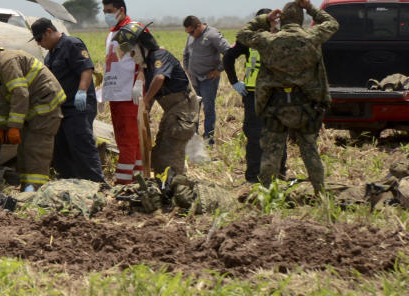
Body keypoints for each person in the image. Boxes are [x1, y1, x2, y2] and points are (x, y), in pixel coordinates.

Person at [236, 0, 339, 192]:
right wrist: (310, 8)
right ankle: (320, 193)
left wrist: (265, 18)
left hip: (276, 105)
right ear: (301, 20)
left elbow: (242, 34)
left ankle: (266, 194)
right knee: (310, 151)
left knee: (271, 152)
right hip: (308, 106)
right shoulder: (313, 36)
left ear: (281, 20)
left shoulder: (268, 40)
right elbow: (333, 23)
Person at [0, 35, 65, 191]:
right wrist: (2, 125)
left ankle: (36, 191)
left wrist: (14, 126)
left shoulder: (6, 62)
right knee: (23, 152)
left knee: (35, 151)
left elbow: (20, 93)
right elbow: (3, 99)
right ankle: (27, 189)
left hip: (45, 109)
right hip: (33, 110)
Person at [113, 22, 198, 177]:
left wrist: (145, 100)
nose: (132, 57)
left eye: (132, 52)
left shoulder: (160, 56)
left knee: (170, 152)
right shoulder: (147, 66)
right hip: (172, 111)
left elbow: (159, 78)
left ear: (142, 46)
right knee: (158, 153)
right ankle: (164, 185)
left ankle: (176, 186)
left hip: (183, 109)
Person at [30, 18, 107, 185]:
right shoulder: (50, 55)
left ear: (49, 32)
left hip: (78, 106)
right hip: (62, 108)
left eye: (39, 39)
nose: (39, 43)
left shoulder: (72, 44)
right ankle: (69, 183)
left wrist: (81, 92)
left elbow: (86, 69)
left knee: (81, 143)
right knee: (61, 148)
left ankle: (96, 183)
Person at [223, 9, 286, 183]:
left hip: (277, 93)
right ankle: (253, 177)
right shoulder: (248, 40)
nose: (273, 24)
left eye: (275, 21)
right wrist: (235, 82)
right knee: (254, 135)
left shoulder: (283, 38)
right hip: (253, 94)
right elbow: (228, 58)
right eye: (270, 21)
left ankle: (280, 174)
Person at [101, 0, 143, 184]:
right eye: (104, 12)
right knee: (124, 139)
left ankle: (124, 183)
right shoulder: (112, 34)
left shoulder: (133, 30)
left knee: (129, 139)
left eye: (109, 12)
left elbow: (146, 59)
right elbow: (111, 65)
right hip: (115, 94)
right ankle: (137, 178)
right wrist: (103, 92)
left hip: (129, 93)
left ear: (121, 10)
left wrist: (140, 81)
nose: (106, 15)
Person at [182, 16, 230, 145]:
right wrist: (187, 69)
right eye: (188, 33)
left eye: (192, 32)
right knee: (194, 108)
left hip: (208, 80)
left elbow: (229, 53)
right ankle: (194, 137)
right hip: (194, 79)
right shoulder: (191, 36)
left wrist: (219, 70)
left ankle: (209, 139)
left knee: (208, 108)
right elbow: (186, 54)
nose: (190, 35)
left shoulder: (212, 35)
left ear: (198, 26)